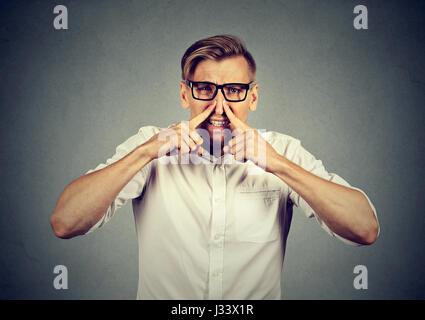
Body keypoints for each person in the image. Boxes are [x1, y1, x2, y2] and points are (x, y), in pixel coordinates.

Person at [50, 34, 379, 300]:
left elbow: (364, 229)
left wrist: (278, 165)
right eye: (205, 89)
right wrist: (145, 153)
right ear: (185, 93)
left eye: (234, 90)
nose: (219, 106)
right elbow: (65, 222)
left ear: (252, 97)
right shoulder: (150, 145)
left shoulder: (282, 150)